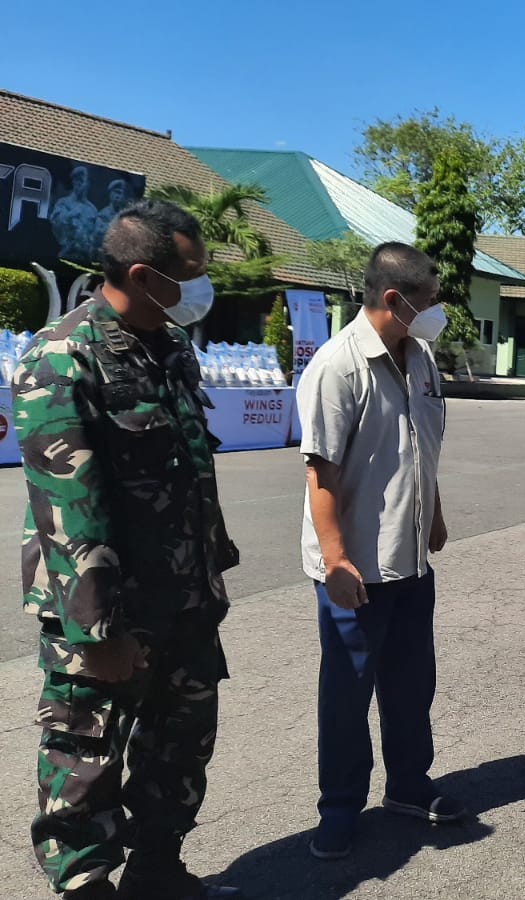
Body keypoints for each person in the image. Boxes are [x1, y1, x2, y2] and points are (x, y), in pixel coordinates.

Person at [14, 199, 240, 899]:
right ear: (142, 276)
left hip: (185, 600)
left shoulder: (169, 348)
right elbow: (68, 511)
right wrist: (97, 635)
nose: (202, 289)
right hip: (105, 613)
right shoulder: (61, 357)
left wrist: (209, 580)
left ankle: (156, 869)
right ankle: (86, 885)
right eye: (190, 275)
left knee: (179, 750)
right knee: (85, 761)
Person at [297, 242, 460, 860]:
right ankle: (339, 806)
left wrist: (435, 513)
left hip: (411, 557)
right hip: (357, 567)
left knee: (411, 683)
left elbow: (424, 442)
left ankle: (409, 787)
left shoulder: (420, 356)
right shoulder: (337, 367)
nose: (435, 310)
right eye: (428, 299)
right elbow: (320, 475)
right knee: (347, 693)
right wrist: (336, 561)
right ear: (394, 299)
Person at [50, 166, 100, 261]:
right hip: (66, 254)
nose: (78, 184)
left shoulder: (92, 209)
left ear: (87, 184)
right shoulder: (63, 203)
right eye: (76, 180)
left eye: (81, 181)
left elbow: (95, 235)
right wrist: (70, 215)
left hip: (85, 256)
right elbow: (56, 225)